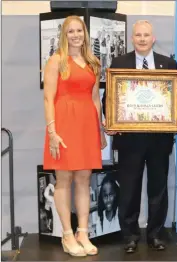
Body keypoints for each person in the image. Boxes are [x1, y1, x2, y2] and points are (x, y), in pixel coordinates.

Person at [102, 20, 177, 253]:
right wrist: (110, 120)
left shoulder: (168, 64)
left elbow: (173, 103)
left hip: (159, 139)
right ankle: (129, 236)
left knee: (158, 188)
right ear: (132, 38)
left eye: (146, 35)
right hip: (129, 138)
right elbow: (108, 98)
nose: (142, 39)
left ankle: (156, 234)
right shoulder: (120, 63)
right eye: (138, 35)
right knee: (129, 189)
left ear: (153, 38)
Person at [43, 15, 107, 257]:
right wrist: (52, 132)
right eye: (71, 31)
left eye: (79, 30)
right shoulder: (56, 60)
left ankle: (83, 232)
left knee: (83, 178)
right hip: (63, 124)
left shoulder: (93, 62)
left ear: (85, 33)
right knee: (64, 179)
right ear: (64, 34)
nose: (76, 35)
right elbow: (48, 98)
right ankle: (67, 235)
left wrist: (100, 131)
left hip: (87, 125)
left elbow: (94, 99)